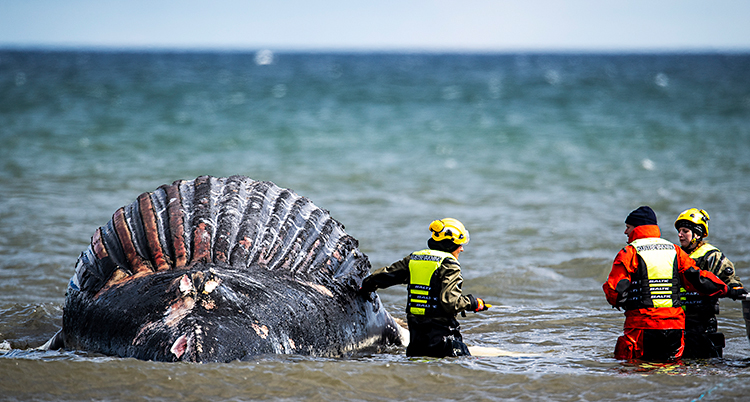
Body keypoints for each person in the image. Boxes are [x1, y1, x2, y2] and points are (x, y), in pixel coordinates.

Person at [602, 206, 738, 361]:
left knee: (637, 370)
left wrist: (617, 299)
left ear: (638, 228)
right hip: (675, 328)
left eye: (628, 227)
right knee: (671, 371)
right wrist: (728, 290)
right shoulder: (673, 250)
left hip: (643, 326)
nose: (625, 232)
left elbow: (615, 291)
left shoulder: (629, 252)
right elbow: (698, 279)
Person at [359, 218, 489, 358]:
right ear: (450, 243)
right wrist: (473, 303)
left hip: (417, 338)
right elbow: (450, 303)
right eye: (460, 244)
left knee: (418, 370)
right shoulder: (449, 265)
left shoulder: (415, 259)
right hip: (442, 338)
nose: (461, 249)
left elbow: (384, 276)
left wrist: (364, 287)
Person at [674, 208, 747, 358]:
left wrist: (734, 288)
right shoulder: (677, 256)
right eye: (679, 231)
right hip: (680, 319)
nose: (680, 235)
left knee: (706, 361)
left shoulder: (712, 256)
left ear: (698, 234)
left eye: (685, 231)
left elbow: (732, 281)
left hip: (703, 320)